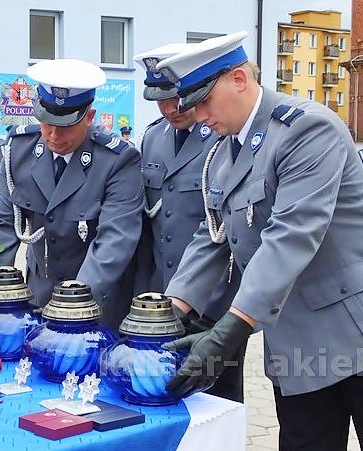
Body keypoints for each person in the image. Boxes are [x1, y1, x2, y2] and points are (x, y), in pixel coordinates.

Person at [156, 32, 363, 450]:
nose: (196, 116)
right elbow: (212, 237)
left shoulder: (306, 128)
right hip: (300, 345)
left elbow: (292, 233)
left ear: (239, 79)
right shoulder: (225, 152)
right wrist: (168, 311)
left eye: (204, 102)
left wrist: (232, 327)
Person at [0, 58, 144, 328]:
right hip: (37, 294)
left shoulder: (117, 160)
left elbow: (115, 239)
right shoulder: (18, 151)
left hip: (95, 303)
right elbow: (2, 227)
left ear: (89, 117)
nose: (54, 135)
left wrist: (75, 304)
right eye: (47, 123)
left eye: (66, 125)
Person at [132, 43, 245, 402]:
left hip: (215, 300)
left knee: (218, 401)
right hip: (165, 297)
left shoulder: (223, 135)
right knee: (161, 396)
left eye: (176, 98)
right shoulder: (153, 137)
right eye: (159, 100)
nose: (169, 109)